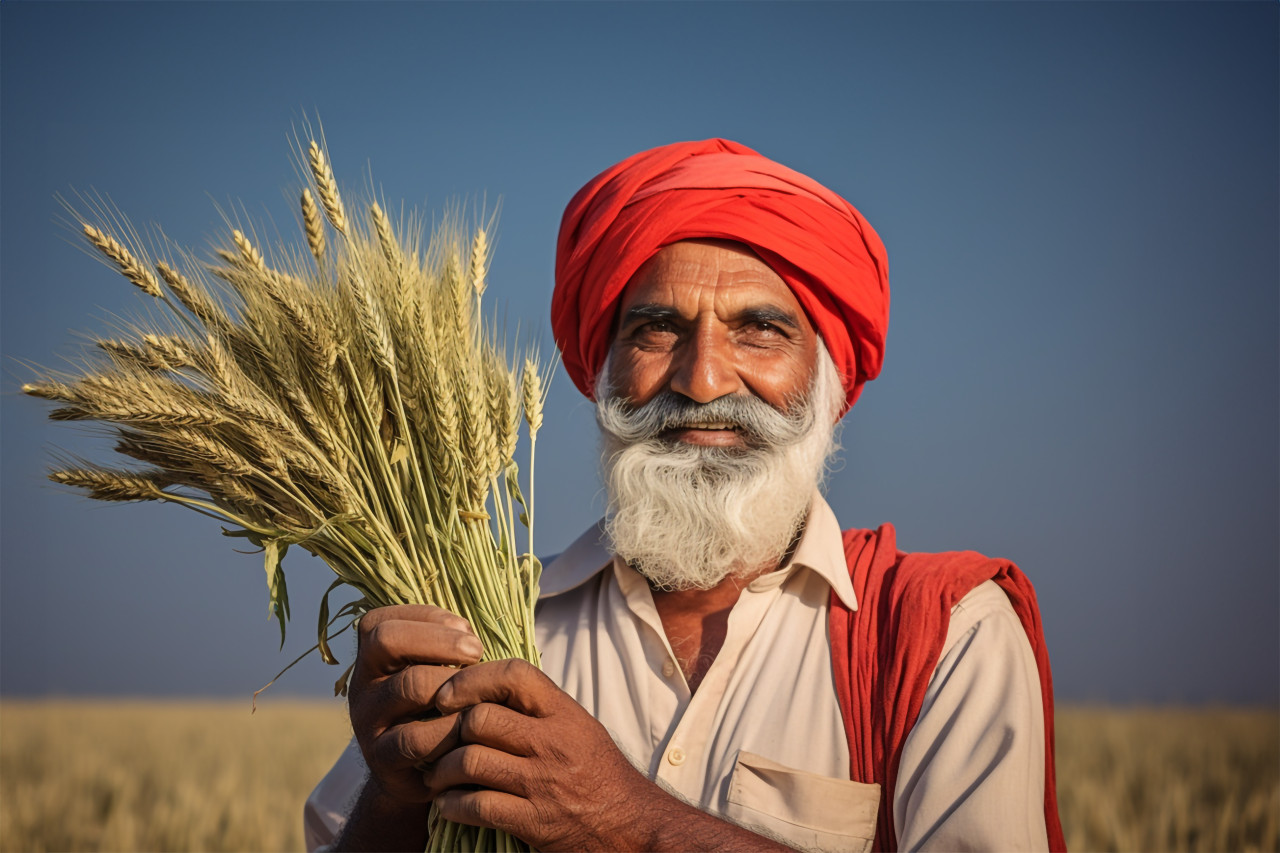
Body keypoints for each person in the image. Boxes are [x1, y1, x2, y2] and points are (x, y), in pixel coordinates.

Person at [304, 138, 1066, 852]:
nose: (702, 380)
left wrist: (626, 821)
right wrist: (396, 801)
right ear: (601, 373)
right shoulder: (481, 619)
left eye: (759, 330)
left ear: (827, 384)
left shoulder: (941, 635)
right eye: (658, 329)